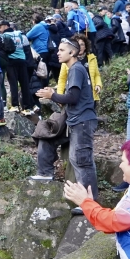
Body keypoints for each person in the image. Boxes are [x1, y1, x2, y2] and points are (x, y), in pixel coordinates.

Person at [31, 35, 99, 211]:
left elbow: (73, 97)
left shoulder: (76, 69)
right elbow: (70, 98)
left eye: (61, 50)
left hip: (83, 121)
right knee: (47, 136)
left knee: (81, 160)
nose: (58, 53)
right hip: (73, 119)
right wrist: (53, 94)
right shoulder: (72, 69)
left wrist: (51, 95)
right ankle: (45, 173)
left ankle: (90, 203)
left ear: (73, 52)